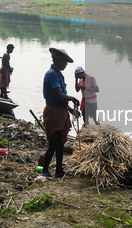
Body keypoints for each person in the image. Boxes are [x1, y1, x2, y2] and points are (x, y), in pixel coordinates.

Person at [42, 47, 79, 178]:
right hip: (52, 113)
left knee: (61, 143)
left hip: (60, 112)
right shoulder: (51, 74)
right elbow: (59, 96)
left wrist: (71, 110)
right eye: (65, 62)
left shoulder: (59, 75)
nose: (66, 65)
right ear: (59, 60)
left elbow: (61, 99)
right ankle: (45, 169)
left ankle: (59, 171)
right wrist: (72, 98)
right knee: (54, 143)